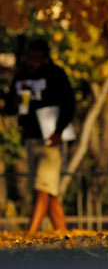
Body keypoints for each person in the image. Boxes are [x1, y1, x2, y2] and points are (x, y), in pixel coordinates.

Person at [3, 38, 75, 236]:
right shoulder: (21, 76)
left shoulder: (56, 75)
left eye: (38, 58)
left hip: (51, 140)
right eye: (30, 58)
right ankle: (64, 235)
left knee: (42, 188)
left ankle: (30, 233)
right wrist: (13, 103)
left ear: (45, 58)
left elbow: (69, 103)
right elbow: (9, 108)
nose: (33, 62)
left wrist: (59, 131)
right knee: (49, 192)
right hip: (30, 138)